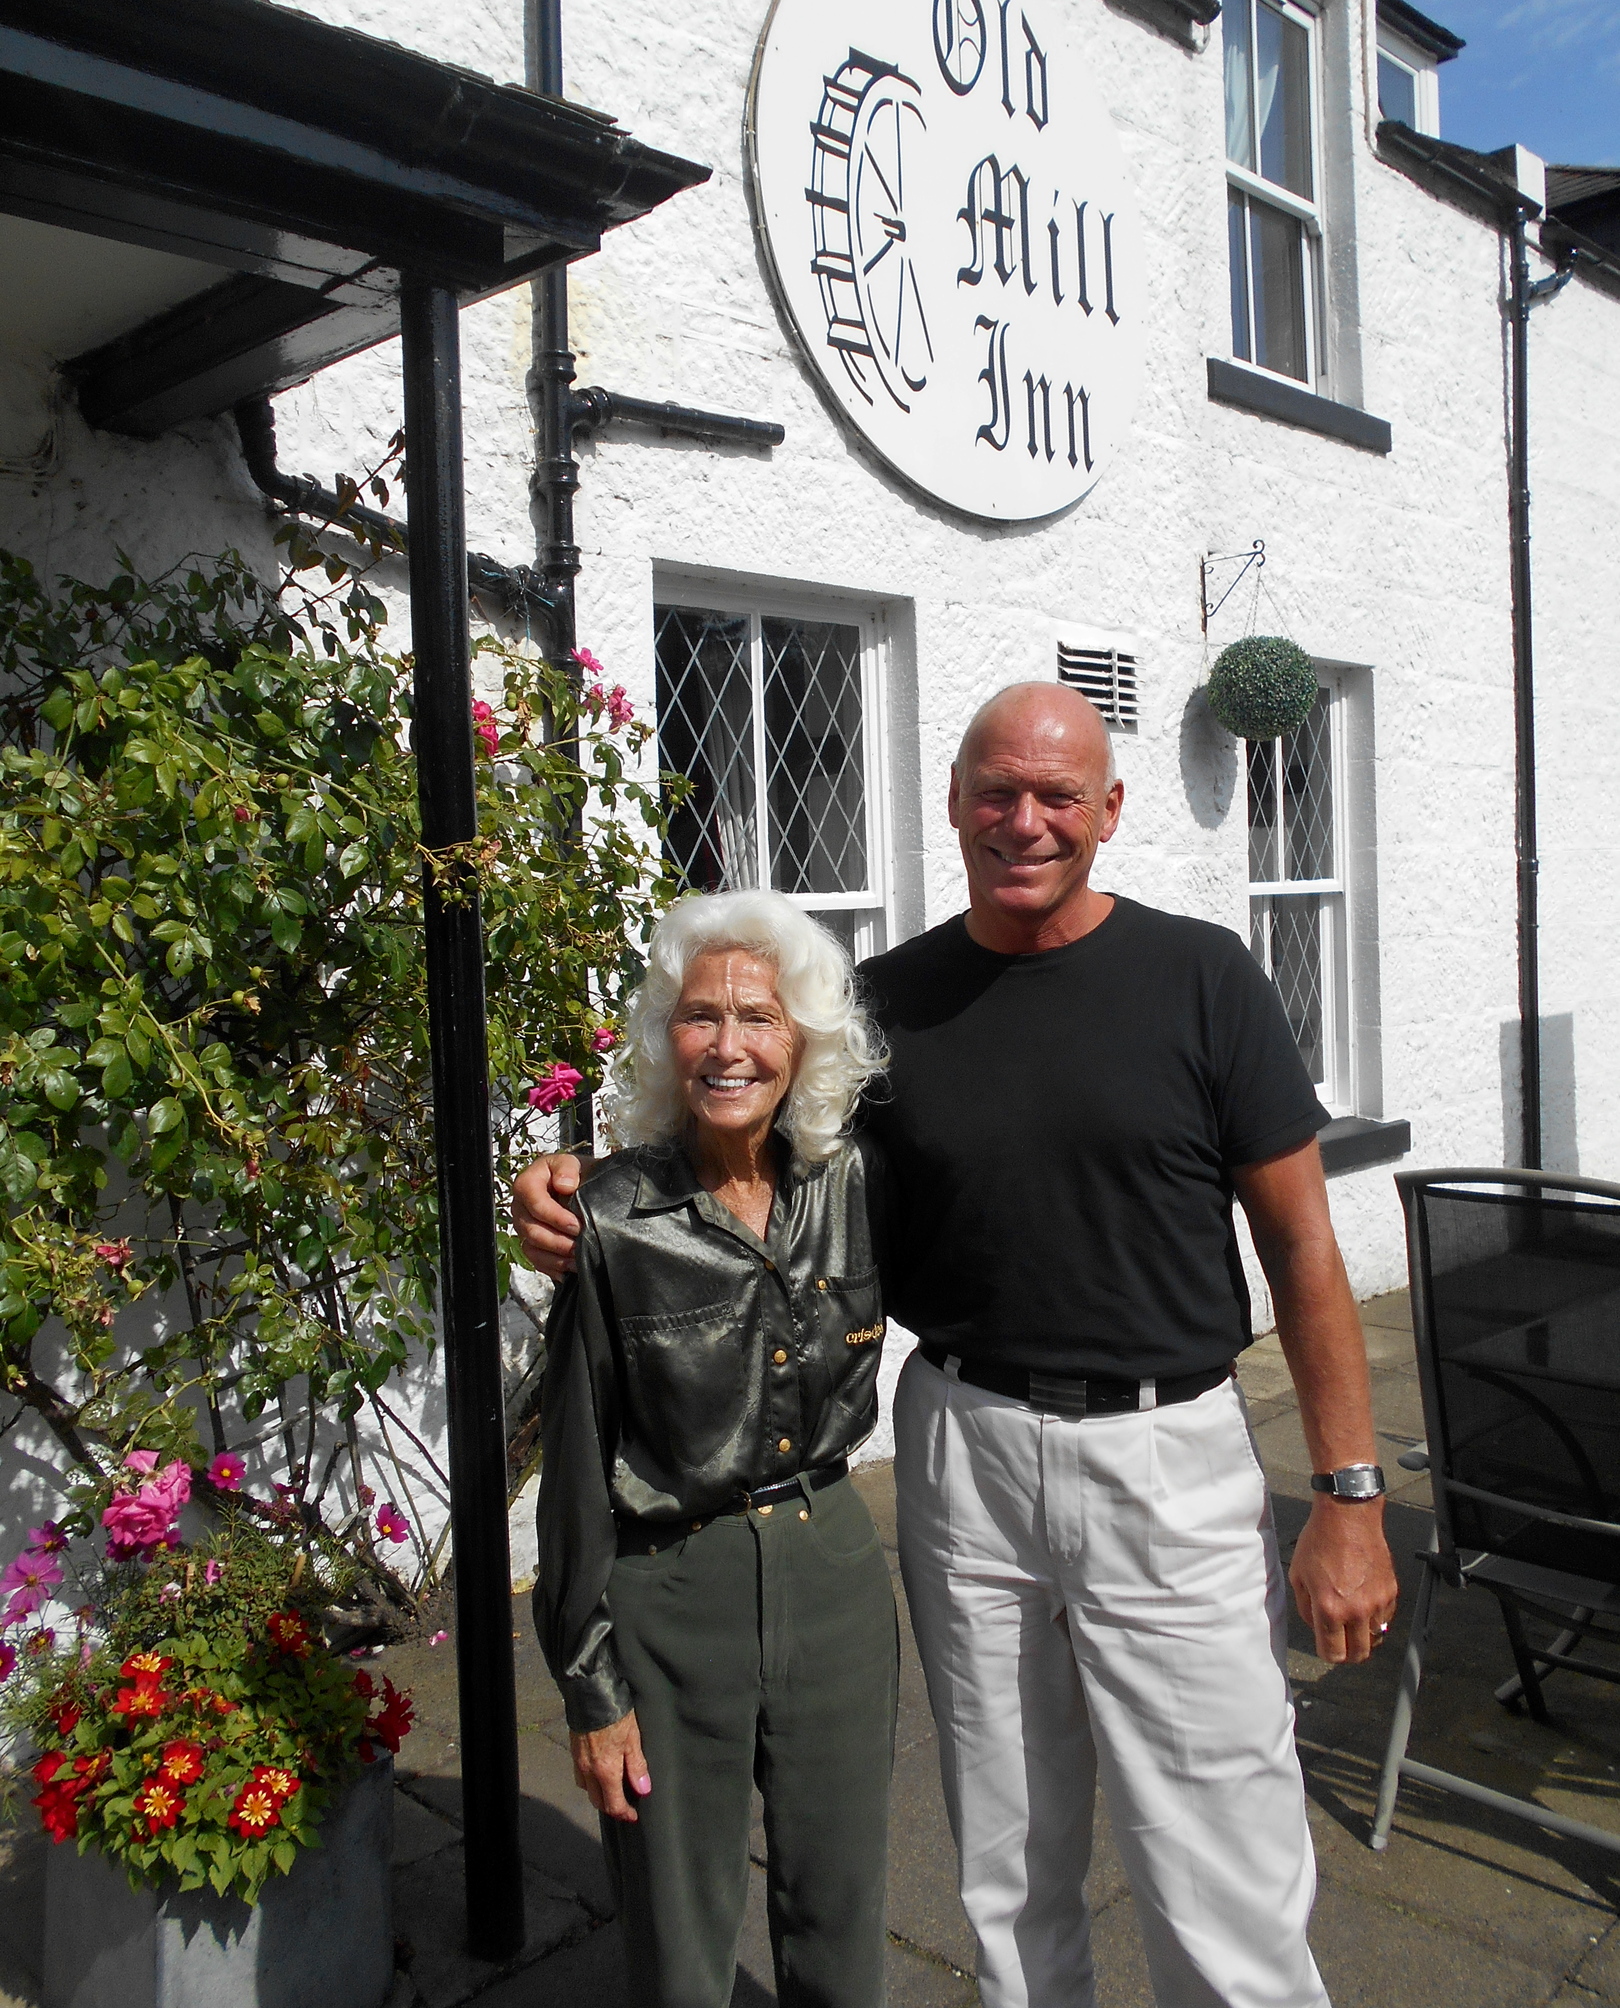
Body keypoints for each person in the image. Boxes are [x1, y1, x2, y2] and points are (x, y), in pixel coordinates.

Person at [516, 683, 1399, 2008]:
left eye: (1058, 796)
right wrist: (583, 1178)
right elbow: (753, 1123)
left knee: (1221, 1851)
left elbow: (1304, 1251)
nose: (1025, 820)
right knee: (1005, 1850)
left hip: (1169, 1455)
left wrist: (1349, 1492)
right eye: (997, 790)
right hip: (964, 1448)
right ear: (954, 804)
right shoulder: (887, 1010)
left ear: (1110, 810)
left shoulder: (1204, 977)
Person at [532, 888, 897, 2008]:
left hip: (834, 1569)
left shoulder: (851, 1181)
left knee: (840, 1913)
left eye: (761, 1017)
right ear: (665, 1038)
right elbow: (576, 1484)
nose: (729, 1045)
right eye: (701, 1017)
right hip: (668, 1590)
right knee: (681, 1941)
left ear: (806, 1041)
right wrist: (593, 1693)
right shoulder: (610, 1220)